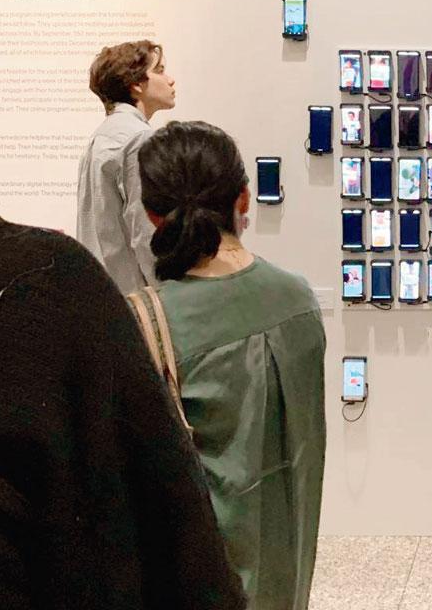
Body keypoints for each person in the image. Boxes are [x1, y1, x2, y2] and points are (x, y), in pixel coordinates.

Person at [0, 0, 245, 610]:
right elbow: (179, 567)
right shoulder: (138, 149)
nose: (172, 79)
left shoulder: (100, 140)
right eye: (161, 68)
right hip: (134, 316)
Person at [137, 120, 327, 610]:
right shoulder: (299, 299)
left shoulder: (146, 322)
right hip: (287, 574)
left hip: (202, 582)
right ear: (243, 199)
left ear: (153, 215)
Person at [77, 39, 176, 294]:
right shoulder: (138, 138)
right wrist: (169, 296)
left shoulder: (103, 135)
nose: (171, 80)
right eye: (160, 71)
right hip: (134, 296)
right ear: (136, 85)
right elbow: (146, 231)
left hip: (104, 291)